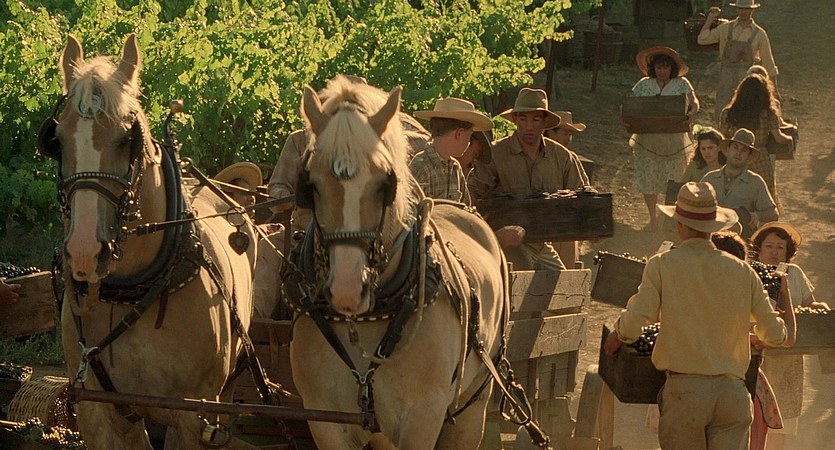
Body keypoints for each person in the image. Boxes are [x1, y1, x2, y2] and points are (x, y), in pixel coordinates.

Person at [603, 181, 791, 450]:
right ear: (714, 227)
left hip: (685, 394)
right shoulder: (743, 271)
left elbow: (637, 318)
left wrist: (618, 336)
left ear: (679, 224)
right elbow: (775, 334)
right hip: (732, 396)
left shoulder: (663, 265)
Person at [468, 88, 588, 271]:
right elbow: (471, 198)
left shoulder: (561, 156)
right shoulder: (496, 154)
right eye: (523, 119)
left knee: (563, 283)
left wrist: (591, 223)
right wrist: (492, 234)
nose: (529, 126)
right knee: (518, 281)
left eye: (535, 120)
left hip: (543, 243)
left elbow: (582, 195)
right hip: (506, 243)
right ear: (515, 120)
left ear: (545, 122)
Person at [749, 222, 832, 450]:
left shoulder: (794, 273)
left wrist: (820, 309)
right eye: (769, 246)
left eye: (780, 247)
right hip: (757, 355)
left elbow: (809, 304)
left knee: (783, 418)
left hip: (789, 357)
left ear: (788, 252)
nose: (774, 252)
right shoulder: (748, 272)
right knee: (753, 416)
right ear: (759, 249)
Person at [629, 46, 699, 229]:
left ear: (672, 68)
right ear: (653, 68)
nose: (662, 71)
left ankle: (668, 217)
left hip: (673, 139)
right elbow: (632, 103)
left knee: (673, 179)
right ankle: (652, 218)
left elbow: (694, 102)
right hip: (648, 139)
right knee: (648, 178)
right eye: (659, 67)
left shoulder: (681, 83)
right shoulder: (643, 84)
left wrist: (692, 111)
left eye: (666, 67)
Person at [720, 74, 793, 214]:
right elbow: (778, 138)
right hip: (759, 158)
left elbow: (722, 136)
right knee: (763, 198)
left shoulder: (728, 113)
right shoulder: (768, 114)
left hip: (734, 156)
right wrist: (789, 139)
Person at [698, 1, 779, 121]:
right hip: (725, 79)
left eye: (746, 9)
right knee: (722, 114)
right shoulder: (725, 28)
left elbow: (769, 63)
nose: (743, 12)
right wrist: (710, 18)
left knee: (745, 115)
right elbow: (702, 39)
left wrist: (775, 91)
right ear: (736, 9)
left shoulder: (759, 34)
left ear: (752, 10)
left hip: (747, 81)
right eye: (740, 8)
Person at [409, 97, 493, 205]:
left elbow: (466, 209)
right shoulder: (420, 167)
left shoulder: (455, 168)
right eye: (469, 135)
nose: (468, 143)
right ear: (459, 134)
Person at [701, 128, 778, 239]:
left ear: (749, 156)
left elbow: (773, 213)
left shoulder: (755, 182)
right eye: (735, 147)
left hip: (741, 241)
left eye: (744, 150)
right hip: (711, 239)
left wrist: (756, 215)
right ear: (728, 150)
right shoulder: (709, 178)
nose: (738, 153)